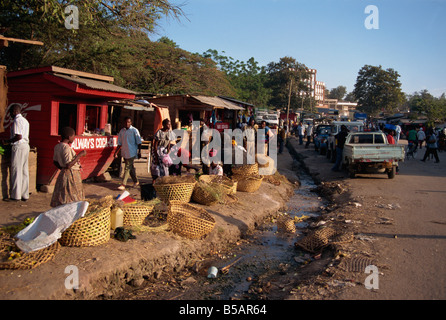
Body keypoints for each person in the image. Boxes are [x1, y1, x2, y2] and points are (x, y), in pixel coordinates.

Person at [50, 127, 87, 207]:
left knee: (63, 195)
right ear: (69, 137)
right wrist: (80, 155)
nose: (74, 138)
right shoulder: (66, 148)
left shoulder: (57, 147)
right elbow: (69, 165)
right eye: (74, 136)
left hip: (63, 173)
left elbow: (55, 162)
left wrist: (62, 168)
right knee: (72, 196)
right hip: (71, 174)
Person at [3, 104, 30, 202]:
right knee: (24, 171)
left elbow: (18, 136)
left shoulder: (17, 121)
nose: (10, 115)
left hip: (18, 146)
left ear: (14, 111)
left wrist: (7, 141)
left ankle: (16, 196)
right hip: (26, 146)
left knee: (16, 171)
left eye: (10, 112)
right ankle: (24, 195)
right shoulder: (25, 121)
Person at [114, 117, 142, 190]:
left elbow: (139, 142)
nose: (127, 124)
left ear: (131, 123)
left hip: (132, 152)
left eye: (128, 122)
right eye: (126, 122)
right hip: (125, 152)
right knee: (130, 168)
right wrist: (116, 152)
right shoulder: (122, 131)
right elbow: (119, 143)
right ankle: (136, 181)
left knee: (127, 168)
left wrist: (139, 152)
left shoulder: (134, 131)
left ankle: (123, 184)